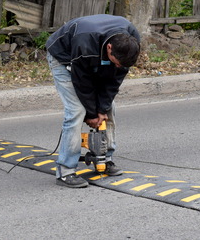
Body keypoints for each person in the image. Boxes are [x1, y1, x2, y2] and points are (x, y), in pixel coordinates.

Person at [45, 14, 141, 188]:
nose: (119, 67)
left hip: (93, 55)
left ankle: (104, 158)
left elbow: (114, 81)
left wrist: (102, 110)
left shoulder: (130, 41)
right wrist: (91, 114)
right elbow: (82, 82)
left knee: (109, 108)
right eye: (117, 63)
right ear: (110, 48)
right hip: (64, 57)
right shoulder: (85, 42)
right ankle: (65, 171)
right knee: (77, 111)